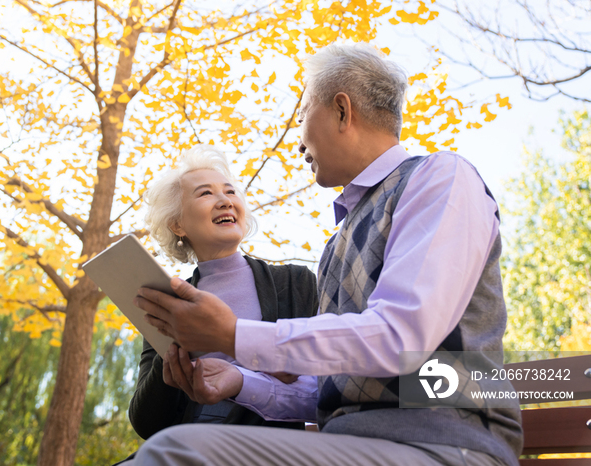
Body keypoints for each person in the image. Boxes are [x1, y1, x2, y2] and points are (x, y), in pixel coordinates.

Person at [132, 43, 524, 466]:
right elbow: (332, 388)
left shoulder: (440, 179)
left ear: (341, 111)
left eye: (302, 114)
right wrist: (239, 382)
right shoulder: (337, 244)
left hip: (443, 446)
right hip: (347, 446)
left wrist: (233, 336)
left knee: (177, 452)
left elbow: (400, 337)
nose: (298, 138)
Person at [127, 146, 319, 441]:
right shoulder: (169, 304)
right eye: (205, 194)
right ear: (178, 224)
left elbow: (329, 377)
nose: (225, 201)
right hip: (190, 445)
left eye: (230, 192)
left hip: (270, 446)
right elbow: (145, 423)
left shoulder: (296, 283)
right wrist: (170, 353)